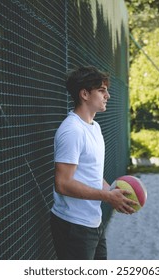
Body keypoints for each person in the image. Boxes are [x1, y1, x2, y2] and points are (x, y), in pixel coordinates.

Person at [50, 66, 137, 260]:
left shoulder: (94, 127)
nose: (107, 95)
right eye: (101, 90)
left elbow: (92, 176)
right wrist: (107, 197)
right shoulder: (72, 130)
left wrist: (115, 194)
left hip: (93, 222)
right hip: (73, 226)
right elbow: (63, 183)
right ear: (85, 94)